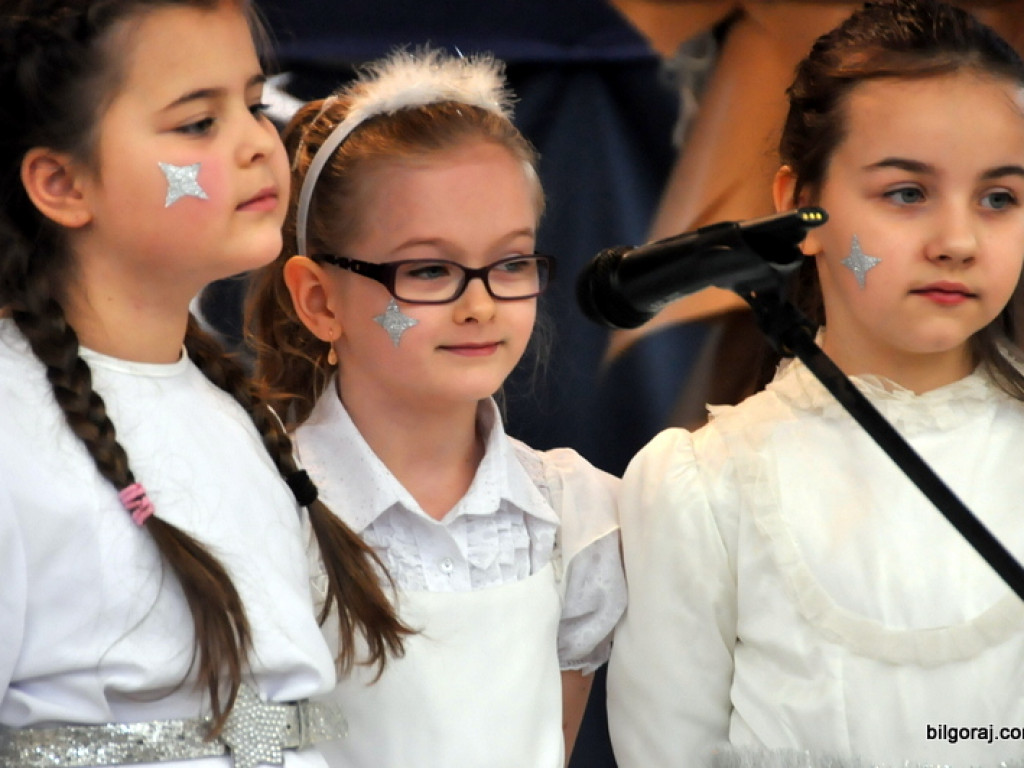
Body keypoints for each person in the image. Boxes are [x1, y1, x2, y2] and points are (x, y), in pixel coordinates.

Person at [605, 0, 1024, 765]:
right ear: (800, 206)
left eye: (999, 197)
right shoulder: (705, 485)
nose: (958, 241)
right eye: (907, 192)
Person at [0, 2, 406, 767]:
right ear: (61, 181)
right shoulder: (11, 426)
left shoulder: (234, 415)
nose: (259, 144)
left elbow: (269, 721)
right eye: (197, 125)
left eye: (254, 105)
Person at [246, 48, 626, 768]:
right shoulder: (261, 508)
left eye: (511, 263)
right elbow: (253, 742)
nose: (480, 305)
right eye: (429, 271)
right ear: (320, 300)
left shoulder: (574, 516)